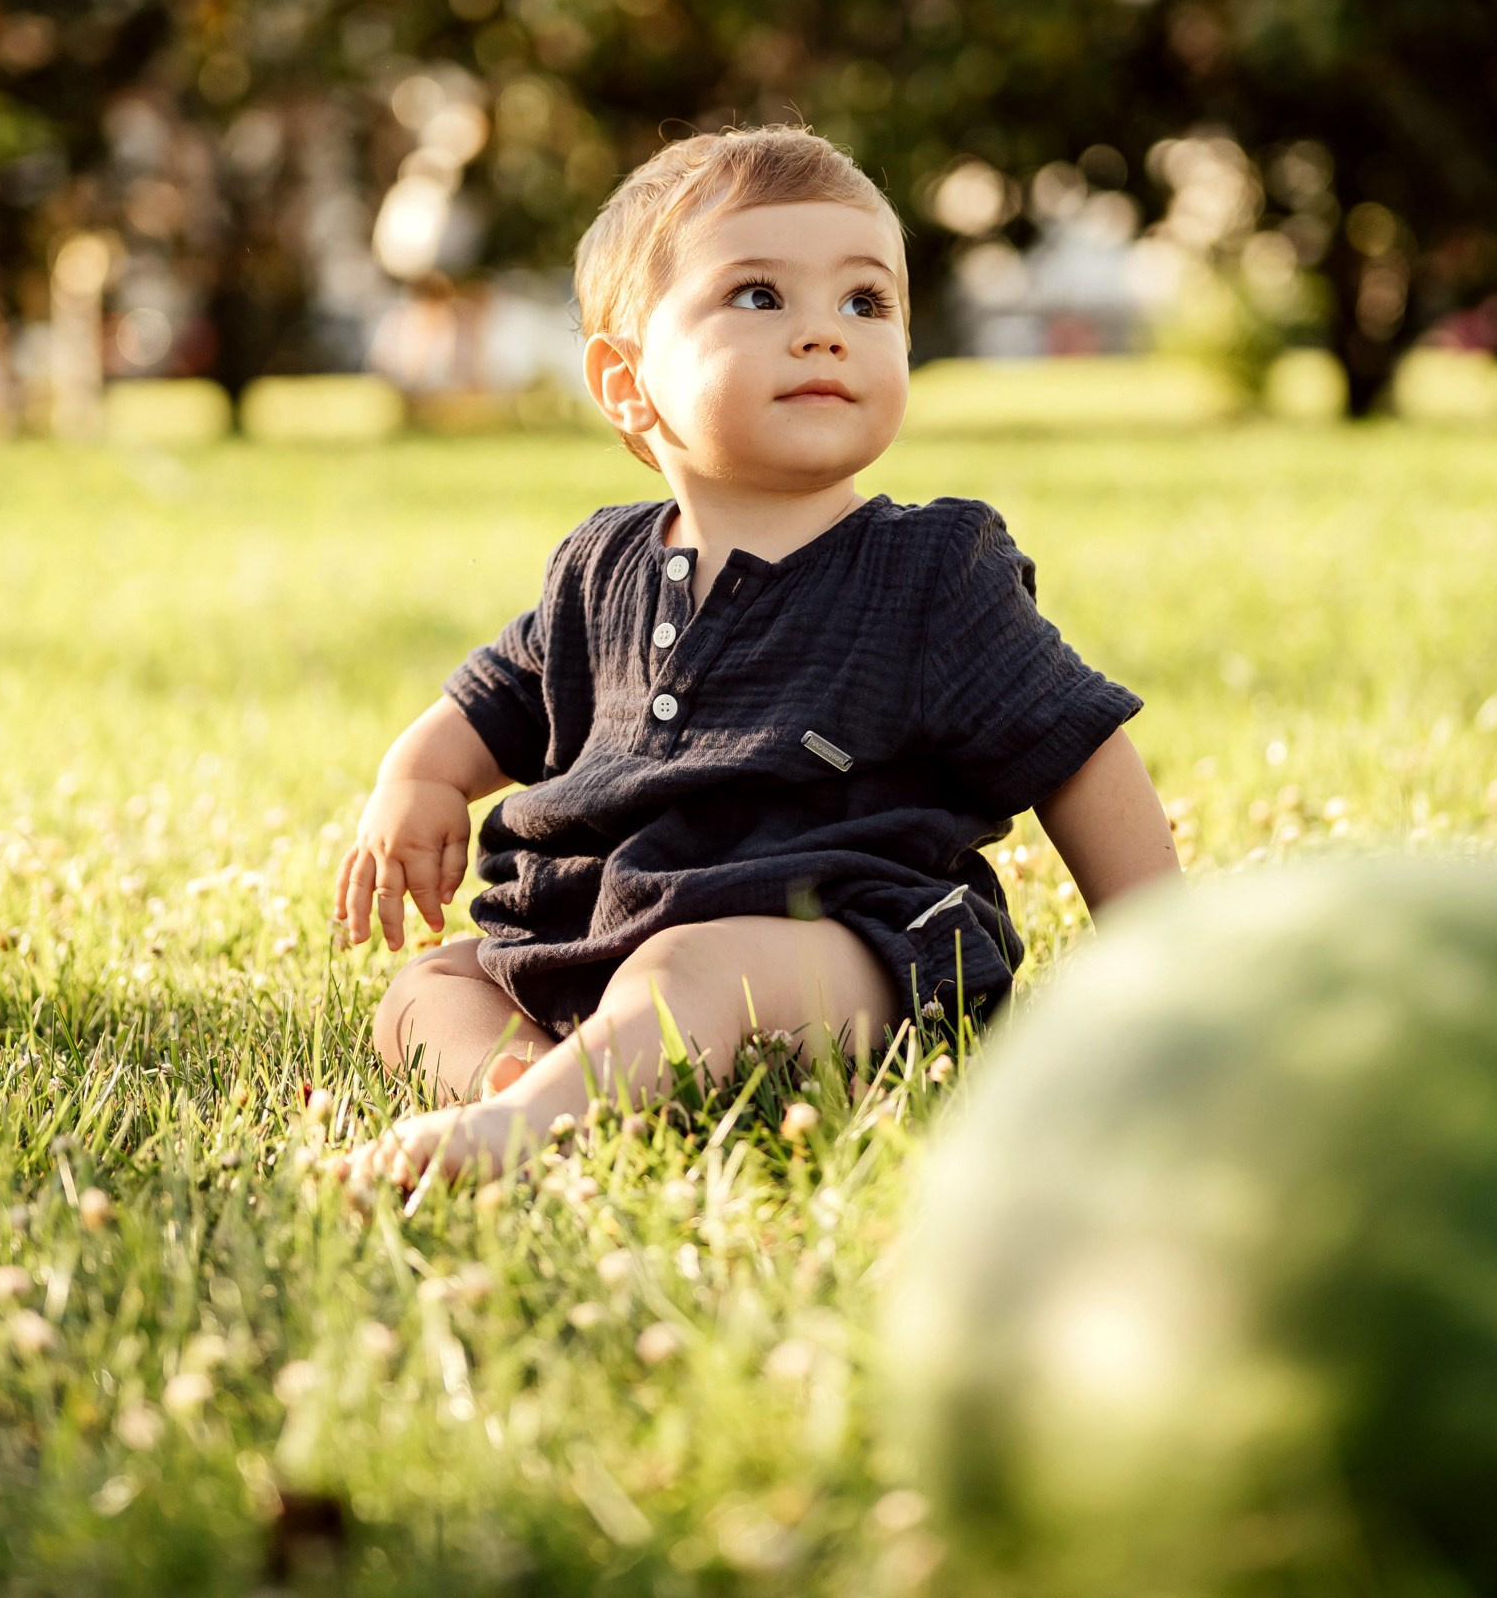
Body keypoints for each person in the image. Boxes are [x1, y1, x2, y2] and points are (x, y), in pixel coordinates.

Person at [337, 127, 1179, 1182]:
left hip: (841, 941)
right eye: (758, 297)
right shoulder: (599, 567)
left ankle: (541, 1114)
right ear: (625, 380)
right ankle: (538, 1089)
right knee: (426, 989)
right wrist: (415, 779)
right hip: (592, 936)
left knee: (697, 965)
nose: (824, 333)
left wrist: (1166, 955)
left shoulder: (926, 570)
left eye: (865, 303)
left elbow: (1074, 748)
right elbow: (497, 696)